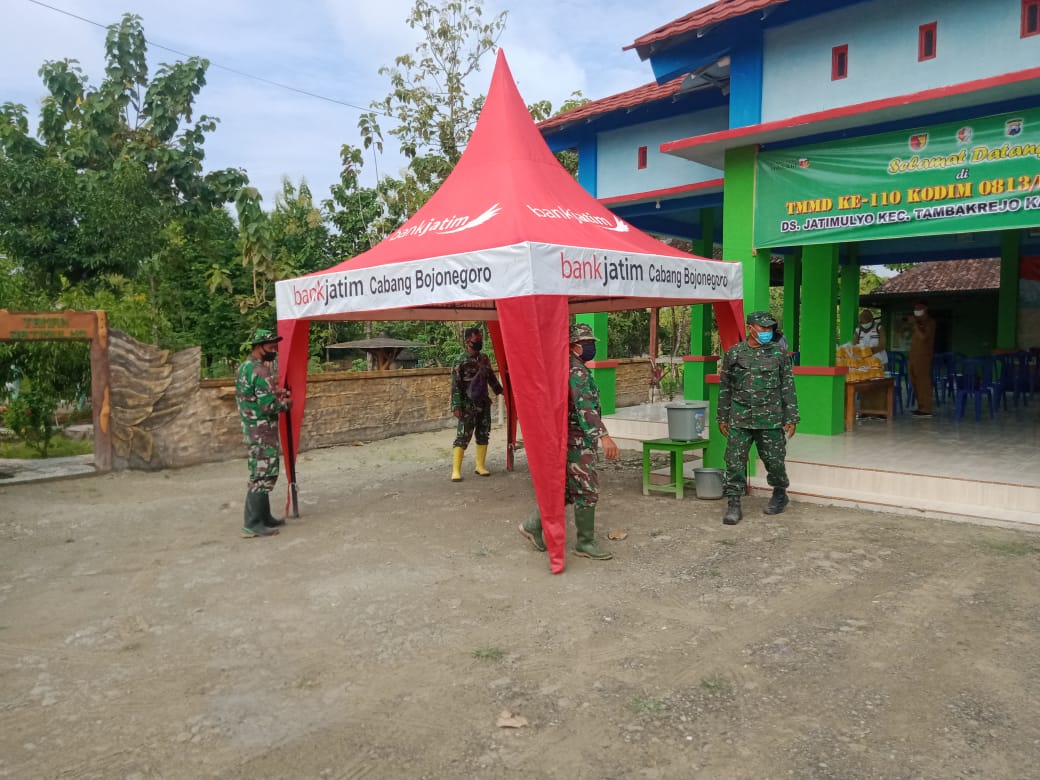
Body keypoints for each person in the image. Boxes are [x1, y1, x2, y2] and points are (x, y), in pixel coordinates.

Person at [519, 323, 620, 560]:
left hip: (567, 439)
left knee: (564, 489)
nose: (591, 347)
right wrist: (603, 436)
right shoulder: (578, 373)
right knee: (587, 491)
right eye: (588, 343)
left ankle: (532, 525)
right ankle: (585, 543)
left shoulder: (565, 368)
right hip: (578, 442)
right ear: (575, 346)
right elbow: (585, 408)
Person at [717, 311, 799, 525]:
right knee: (734, 461)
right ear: (750, 328)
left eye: (770, 328)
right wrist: (722, 416)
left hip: (770, 418)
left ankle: (780, 493)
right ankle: (734, 503)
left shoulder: (779, 354)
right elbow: (725, 386)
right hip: (740, 417)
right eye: (762, 328)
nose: (766, 332)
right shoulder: (734, 353)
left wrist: (791, 416)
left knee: (775, 461)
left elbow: (787, 386)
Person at [235, 328, 292, 538]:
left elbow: (253, 395)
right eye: (270, 345)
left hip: (251, 428)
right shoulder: (260, 371)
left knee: (261, 470)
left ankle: (264, 516)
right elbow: (268, 406)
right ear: (258, 346)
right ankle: (252, 524)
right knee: (263, 474)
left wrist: (274, 393)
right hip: (262, 431)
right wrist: (286, 403)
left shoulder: (244, 368)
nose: (274, 348)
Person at [450, 326, 503, 481]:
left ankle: (480, 466)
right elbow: (455, 385)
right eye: (476, 340)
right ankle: (456, 470)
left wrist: (501, 391)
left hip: (483, 403)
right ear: (468, 341)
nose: (479, 342)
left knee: (483, 433)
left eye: (480, 339)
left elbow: (491, 378)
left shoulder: (484, 359)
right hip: (466, 405)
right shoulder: (460, 360)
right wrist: (456, 406)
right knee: (463, 436)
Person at [908, 299, 936, 417]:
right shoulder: (918, 322)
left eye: (919, 309)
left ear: (925, 309)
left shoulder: (930, 322)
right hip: (913, 356)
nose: (916, 311)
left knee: (923, 382)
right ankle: (921, 407)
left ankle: (926, 409)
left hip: (923, 357)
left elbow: (923, 338)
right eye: (915, 309)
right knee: (915, 381)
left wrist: (915, 324)